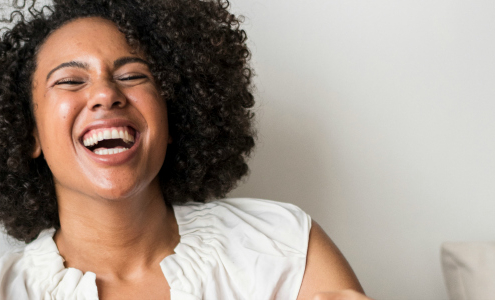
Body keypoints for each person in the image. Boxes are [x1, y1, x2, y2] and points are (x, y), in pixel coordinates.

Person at [0, 0, 373, 299]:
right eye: (69, 80)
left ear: (171, 116)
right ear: (28, 132)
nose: (105, 94)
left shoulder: (284, 245)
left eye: (132, 76)